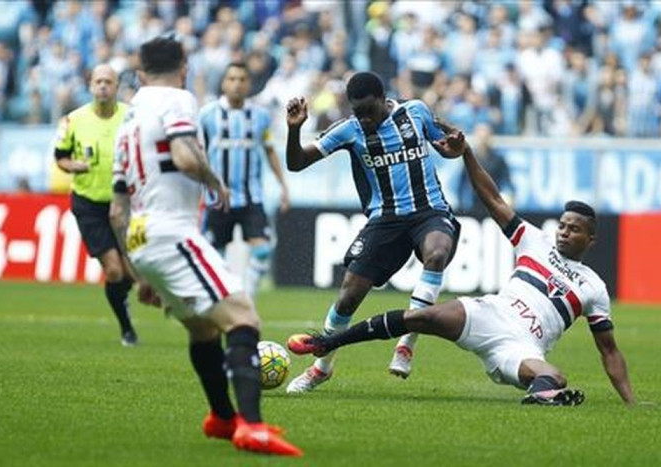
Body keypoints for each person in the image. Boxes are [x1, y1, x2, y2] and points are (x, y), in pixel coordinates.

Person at [287, 127, 635, 406]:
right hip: (491, 313)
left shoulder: (593, 287)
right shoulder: (534, 240)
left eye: (574, 229)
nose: (564, 232)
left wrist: (630, 402)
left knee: (554, 378)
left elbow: (609, 350)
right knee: (420, 317)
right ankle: (326, 343)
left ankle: (542, 397)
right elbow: (493, 198)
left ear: (591, 240)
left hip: (522, 345)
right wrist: (468, 152)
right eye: (562, 224)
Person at [109, 36, 301, 456]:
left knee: (203, 328)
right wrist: (215, 182)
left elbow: (117, 210)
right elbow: (184, 156)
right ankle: (252, 425)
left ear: (140, 73)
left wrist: (138, 271)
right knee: (243, 317)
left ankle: (222, 419)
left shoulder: (129, 119)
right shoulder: (177, 99)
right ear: (184, 66)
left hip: (142, 237)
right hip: (170, 229)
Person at [284, 71, 466, 393]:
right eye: (358, 111)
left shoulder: (416, 112)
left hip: (430, 211)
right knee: (349, 296)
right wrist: (293, 130)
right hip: (384, 220)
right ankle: (321, 368)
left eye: (370, 109)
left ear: (384, 99)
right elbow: (296, 163)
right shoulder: (349, 130)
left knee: (436, 253)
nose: (365, 118)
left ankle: (406, 344)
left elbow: (448, 148)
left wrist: (455, 146)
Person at [54, 63, 138, 347]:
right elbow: (60, 156)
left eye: (108, 82)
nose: (103, 86)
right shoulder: (73, 120)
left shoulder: (131, 117)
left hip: (125, 203)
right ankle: (127, 328)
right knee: (113, 270)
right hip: (89, 203)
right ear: (90, 86)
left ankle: (121, 297)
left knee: (132, 272)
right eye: (98, 81)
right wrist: (73, 165)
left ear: (116, 87)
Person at [198, 62, 290, 299]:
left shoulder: (260, 116)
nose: (237, 84)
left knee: (262, 250)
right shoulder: (208, 115)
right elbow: (198, 154)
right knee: (215, 254)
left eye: (241, 79)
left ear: (249, 84)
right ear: (223, 83)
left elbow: (269, 151)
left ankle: (246, 297)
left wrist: (283, 186)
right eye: (232, 79)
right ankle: (222, 297)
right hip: (218, 197)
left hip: (252, 196)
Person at [457, 123, 513, 217]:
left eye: (485, 135)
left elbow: (507, 181)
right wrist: (461, 204)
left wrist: (510, 195)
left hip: (495, 202)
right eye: (480, 135)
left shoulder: (498, 160)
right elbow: (462, 183)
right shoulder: (470, 159)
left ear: (490, 137)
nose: (483, 138)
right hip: (476, 202)